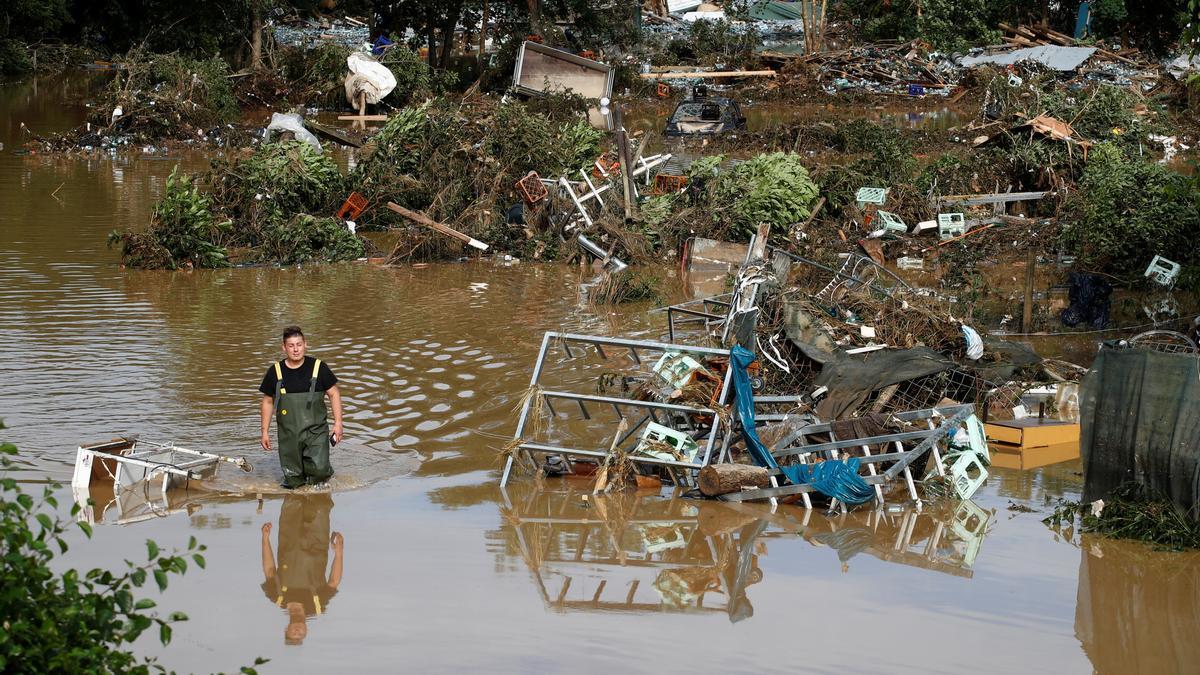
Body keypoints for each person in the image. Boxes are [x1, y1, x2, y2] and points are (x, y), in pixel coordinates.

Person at [259, 326, 343, 489]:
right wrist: (264, 431)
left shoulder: (319, 368)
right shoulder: (275, 371)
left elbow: (334, 394)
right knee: (293, 479)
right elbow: (267, 401)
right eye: (291, 345)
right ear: (284, 347)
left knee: (320, 472)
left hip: (316, 431)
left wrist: (338, 424)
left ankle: (319, 494)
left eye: (299, 344)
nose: (296, 349)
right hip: (289, 434)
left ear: (306, 344)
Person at [260, 493, 344, 645]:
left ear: (286, 629)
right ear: (306, 630)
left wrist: (265, 539)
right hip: (317, 541)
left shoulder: (278, 597)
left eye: (293, 634)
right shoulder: (317, 605)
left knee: (293, 495)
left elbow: (269, 569)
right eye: (301, 635)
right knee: (321, 498)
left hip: (289, 538)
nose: (298, 632)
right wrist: (339, 553)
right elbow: (334, 581)